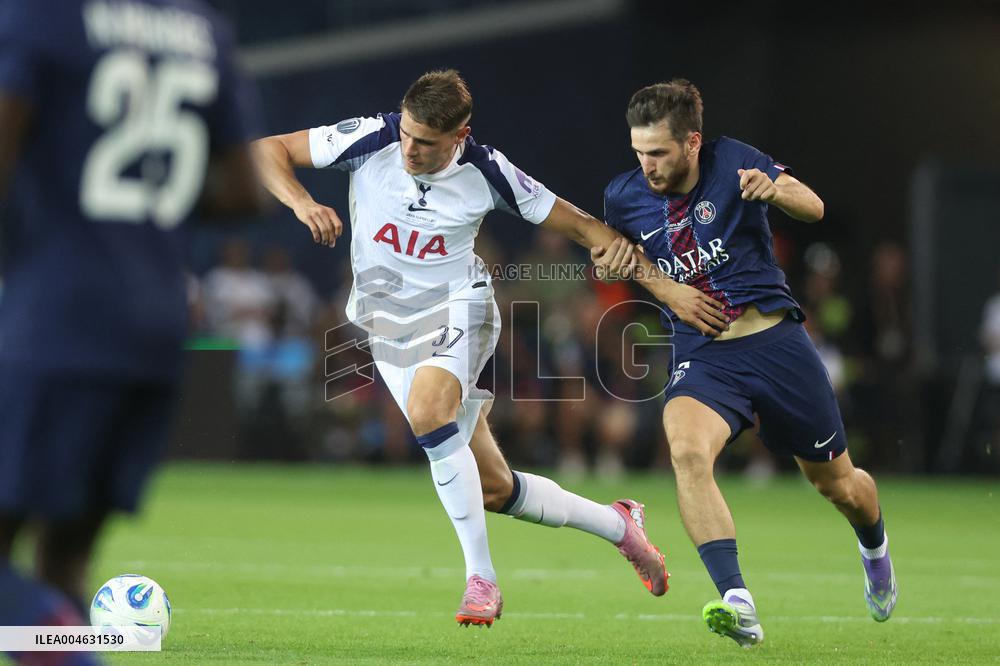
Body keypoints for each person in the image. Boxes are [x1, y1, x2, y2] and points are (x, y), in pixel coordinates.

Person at [252, 70, 726, 627]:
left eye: (426, 141)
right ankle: (621, 525)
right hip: (386, 325)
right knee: (495, 489)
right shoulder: (370, 139)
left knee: (431, 411)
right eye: (406, 133)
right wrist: (302, 202)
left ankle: (482, 580)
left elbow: (584, 228)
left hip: (460, 307)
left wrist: (667, 288)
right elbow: (265, 150)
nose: (409, 149)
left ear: (459, 136)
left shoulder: (488, 170)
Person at [0, 0, 262, 658]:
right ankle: (62, 633)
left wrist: (62, 190)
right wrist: (144, 213)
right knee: (65, 557)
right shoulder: (203, 31)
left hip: (54, 318)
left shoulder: (42, 17)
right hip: (155, 328)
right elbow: (244, 193)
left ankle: (70, 649)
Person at [593, 79, 896, 647]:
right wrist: (616, 266)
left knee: (840, 486)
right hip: (703, 352)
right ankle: (738, 600)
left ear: (692, 142)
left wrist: (774, 190)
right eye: (638, 151)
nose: (647, 165)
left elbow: (814, 205)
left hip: (776, 346)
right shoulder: (624, 195)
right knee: (685, 449)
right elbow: (619, 259)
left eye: (658, 152)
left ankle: (874, 549)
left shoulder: (734, 161)